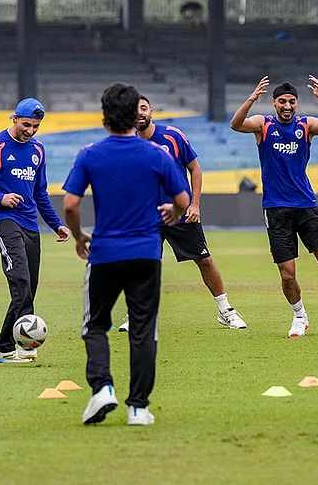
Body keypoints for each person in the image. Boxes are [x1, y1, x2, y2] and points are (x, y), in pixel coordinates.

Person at [62, 83, 189, 426]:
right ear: (137, 115)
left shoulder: (90, 154)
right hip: (147, 252)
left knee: (96, 325)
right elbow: (183, 200)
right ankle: (138, 408)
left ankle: (102, 388)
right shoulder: (157, 155)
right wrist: (174, 214)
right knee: (143, 330)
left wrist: (78, 237)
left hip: (104, 252)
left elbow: (71, 205)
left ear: (103, 117)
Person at [229, 75, 318, 338]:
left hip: (306, 205)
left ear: (297, 104)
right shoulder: (262, 125)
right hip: (276, 208)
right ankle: (299, 317)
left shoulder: (305, 125)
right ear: (274, 103)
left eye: (292, 101)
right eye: (282, 101)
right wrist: (252, 98)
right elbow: (236, 124)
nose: (287, 106)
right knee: (287, 274)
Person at [116, 95, 246, 332]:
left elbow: (195, 169)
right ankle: (135, 314)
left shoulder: (172, 136)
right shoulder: (125, 144)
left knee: (204, 260)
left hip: (180, 212)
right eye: (135, 110)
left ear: (151, 112)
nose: (140, 113)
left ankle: (226, 311)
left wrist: (194, 205)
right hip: (146, 217)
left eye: (144, 108)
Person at [0, 98, 70, 364]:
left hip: (30, 223)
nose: (30, 131)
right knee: (21, 281)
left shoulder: (38, 151)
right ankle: (26, 346)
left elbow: (40, 193)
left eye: (36, 126)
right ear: (14, 119)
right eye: (26, 124)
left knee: (28, 289)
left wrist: (57, 223)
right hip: (2, 220)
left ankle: (2, 349)